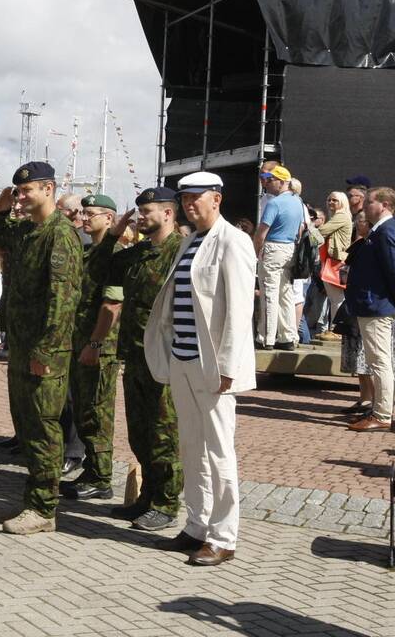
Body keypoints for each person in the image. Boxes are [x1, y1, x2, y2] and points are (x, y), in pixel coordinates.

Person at [144, 170, 257, 567]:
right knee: (191, 445)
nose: (190, 205)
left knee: (219, 450)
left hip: (213, 366)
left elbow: (241, 311)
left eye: (197, 197)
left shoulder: (234, 241)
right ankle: (196, 524)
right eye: (185, 198)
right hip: (183, 358)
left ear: (217, 199)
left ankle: (224, 536)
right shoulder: (190, 240)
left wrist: (228, 365)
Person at [0, 162, 82, 535]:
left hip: (46, 350)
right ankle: (34, 500)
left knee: (43, 427)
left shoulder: (60, 234)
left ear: (49, 189)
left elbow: (63, 298)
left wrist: (46, 350)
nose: (21, 197)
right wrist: (1, 202)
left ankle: (43, 508)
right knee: (26, 426)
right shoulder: (25, 230)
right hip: (22, 344)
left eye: (27, 191)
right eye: (17, 191)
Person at [102, 187, 185, 531]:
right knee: (139, 432)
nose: (140, 217)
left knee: (164, 433)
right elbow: (99, 268)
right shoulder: (139, 253)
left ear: (167, 213)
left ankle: (166, 503)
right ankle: (148, 497)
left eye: (147, 211)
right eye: (138, 211)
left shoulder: (178, 252)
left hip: (162, 358)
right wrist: (113, 234)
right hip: (134, 356)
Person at [60, 194, 123, 502]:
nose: (84, 218)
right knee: (83, 411)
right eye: (82, 213)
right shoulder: (87, 252)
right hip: (79, 342)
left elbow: (112, 305)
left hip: (100, 347)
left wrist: (96, 343)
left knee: (98, 413)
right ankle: (92, 471)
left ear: (108, 220)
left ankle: (101, 476)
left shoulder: (114, 255)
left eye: (91, 214)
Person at [344, 187, 395, 431]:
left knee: (380, 361)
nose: (365, 207)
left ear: (383, 204)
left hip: (377, 305)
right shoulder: (382, 230)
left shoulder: (386, 231)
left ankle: (382, 415)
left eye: (369, 202)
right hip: (373, 303)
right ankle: (379, 411)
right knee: (377, 360)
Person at [253, 165, 303, 350]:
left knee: (269, 294)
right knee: (286, 293)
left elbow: (261, 232)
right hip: (290, 248)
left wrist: (256, 252)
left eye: (270, 179)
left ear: (282, 182)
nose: (267, 182)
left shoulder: (275, 203)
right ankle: (288, 336)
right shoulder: (297, 201)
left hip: (273, 248)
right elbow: (300, 229)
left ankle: (266, 338)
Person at [315, 192, 352, 339]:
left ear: (342, 202)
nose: (331, 202)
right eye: (329, 199)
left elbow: (322, 231)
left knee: (337, 298)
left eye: (335, 200)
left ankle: (338, 330)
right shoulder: (338, 216)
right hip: (333, 261)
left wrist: (309, 231)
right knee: (335, 298)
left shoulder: (341, 216)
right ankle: (335, 328)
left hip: (338, 262)